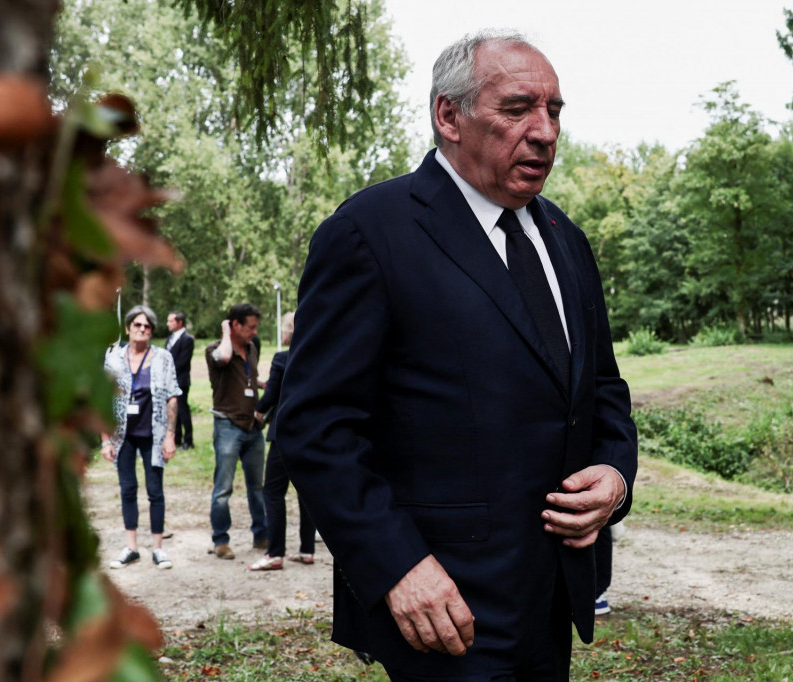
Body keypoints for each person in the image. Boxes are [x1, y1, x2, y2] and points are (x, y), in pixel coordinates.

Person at [278, 31, 638, 681]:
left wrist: (614, 476)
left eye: (554, 111)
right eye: (517, 108)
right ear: (449, 116)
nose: (544, 131)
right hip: (442, 607)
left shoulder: (567, 240)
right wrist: (395, 567)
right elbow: (315, 428)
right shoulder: (369, 233)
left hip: (553, 595)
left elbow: (603, 388)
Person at [101, 305, 182, 570]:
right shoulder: (113, 359)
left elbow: (172, 396)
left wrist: (170, 436)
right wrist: (105, 440)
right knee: (127, 489)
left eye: (147, 326)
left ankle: (158, 548)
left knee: (155, 491)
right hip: (123, 435)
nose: (142, 329)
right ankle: (131, 547)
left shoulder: (163, 357)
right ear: (127, 328)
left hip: (153, 434)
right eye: (137, 325)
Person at [247, 312, 317, 571]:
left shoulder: (282, 358)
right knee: (306, 494)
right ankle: (307, 550)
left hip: (284, 434)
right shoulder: (319, 359)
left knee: (273, 492)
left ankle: (275, 553)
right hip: (312, 434)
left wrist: (258, 409)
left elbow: (272, 396)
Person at [205, 303, 268, 560]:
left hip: (253, 428)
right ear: (234, 325)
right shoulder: (214, 350)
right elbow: (225, 358)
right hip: (227, 426)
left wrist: (268, 384)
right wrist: (224, 330)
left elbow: (251, 378)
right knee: (223, 488)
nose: (254, 332)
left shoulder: (253, 348)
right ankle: (221, 540)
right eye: (250, 327)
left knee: (257, 487)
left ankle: (261, 535)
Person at [166, 310, 195, 450]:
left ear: (179, 322)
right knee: (173, 410)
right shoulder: (170, 338)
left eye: (171, 321)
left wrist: (168, 371)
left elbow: (182, 361)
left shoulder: (187, 339)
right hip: (170, 381)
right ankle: (177, 438)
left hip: (181, 380)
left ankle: (188, 440)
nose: (168, 324)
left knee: (183, 410)